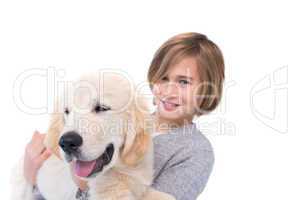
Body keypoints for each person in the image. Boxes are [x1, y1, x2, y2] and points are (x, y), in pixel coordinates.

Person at [24, 32, 225, 200]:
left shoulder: (195, 152)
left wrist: (84, 187)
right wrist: (33, 181)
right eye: (163, 78)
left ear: (208, 91)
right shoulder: (123, 114)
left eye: (183, 82)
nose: (168, 91)